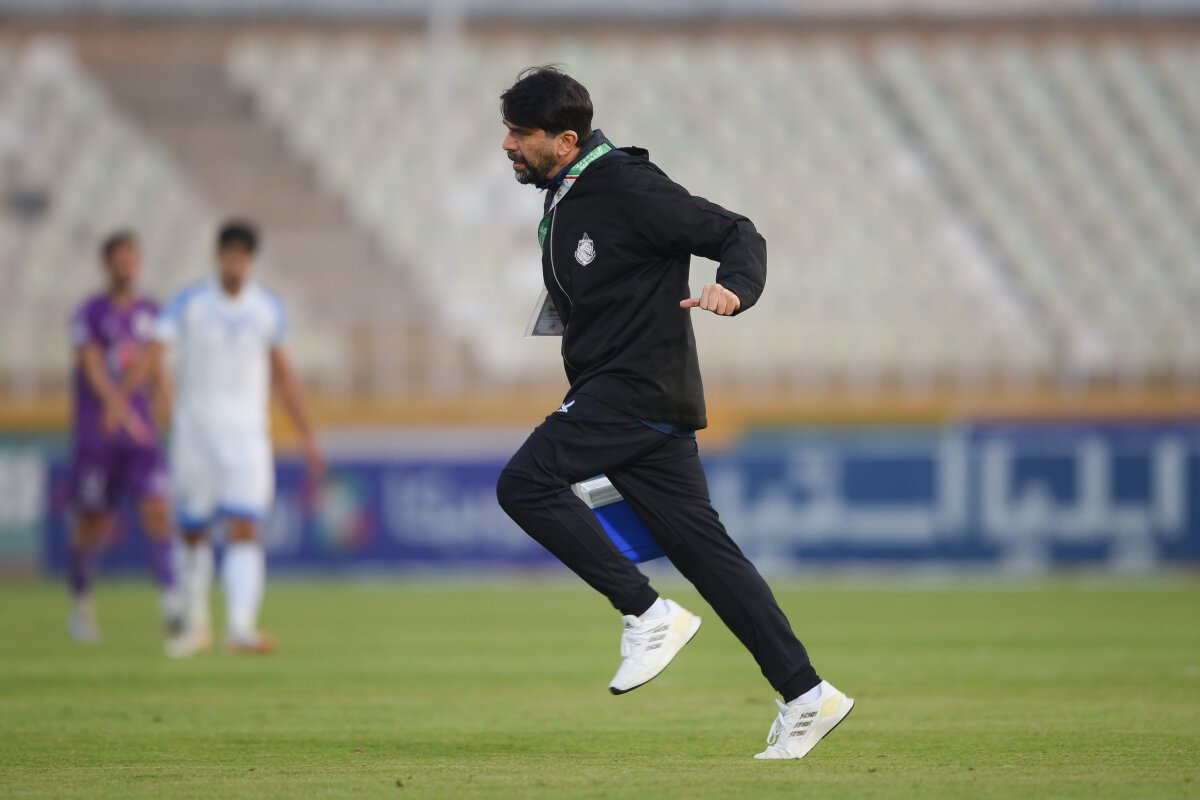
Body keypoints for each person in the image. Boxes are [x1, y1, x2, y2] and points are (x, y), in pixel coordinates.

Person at [494, 67, 854, 760]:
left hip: (633, 391)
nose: (509, 144)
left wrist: (734, 288)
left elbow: (737, 232)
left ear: (565, 141)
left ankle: (647, 611)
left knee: (526, 483)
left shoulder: (628, 186)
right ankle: (808, 695)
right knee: (708, 558)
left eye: (521, 133)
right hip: (644, 400)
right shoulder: (569, 192)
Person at [122, 220, 323, 658]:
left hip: (248, 437)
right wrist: (122, 399)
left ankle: (240, 627)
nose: (234, 264)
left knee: (245, 527)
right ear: (218, 257)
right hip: (195, 435)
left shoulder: (268, 309)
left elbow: (284, 375)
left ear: (251, 260)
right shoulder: (190, 303)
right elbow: (154, 353)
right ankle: (195, 625)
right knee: (192, 529)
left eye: (241, 257)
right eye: (228, 256)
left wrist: (308, 435)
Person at [66, 230, 180, 645]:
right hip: (99, 434)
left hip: (141, 437)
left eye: (131, 258)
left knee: (158, 510)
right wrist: (116, 407)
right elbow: (92, 365)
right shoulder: (89, 313)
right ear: (107, 264)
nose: (126, 265)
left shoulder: (151, 312)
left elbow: (157, 366)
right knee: (91, 521)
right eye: (119, 258)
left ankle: (172, 605)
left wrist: (167, 408)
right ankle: (81, 603)